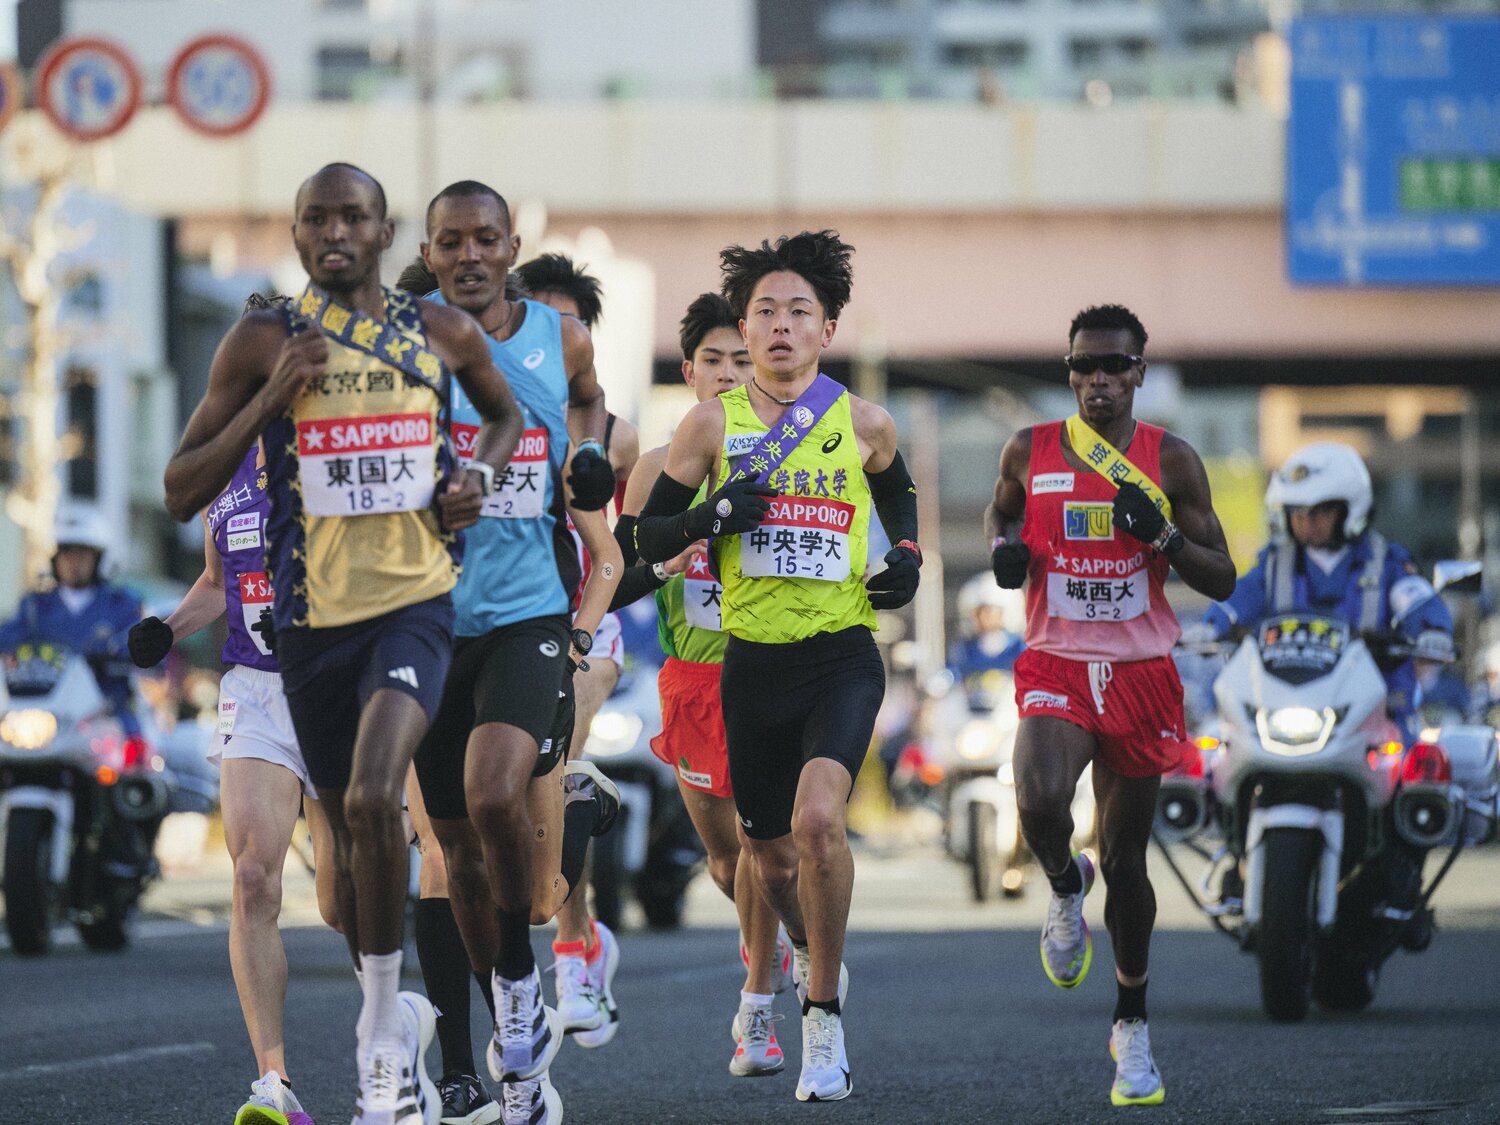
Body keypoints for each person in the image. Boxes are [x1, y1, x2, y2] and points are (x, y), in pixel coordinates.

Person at [162, 163, 524, 1125]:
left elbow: (506, 419)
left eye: (351, 216)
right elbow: (180, 485)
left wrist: (476, 481)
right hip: (306, 623)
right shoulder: (263, 339)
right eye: (314, 218)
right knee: (340, 877)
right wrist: (270, 395)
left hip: (412, 608)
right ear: (294, 234)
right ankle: (393, 1009)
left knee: (372, 795)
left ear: (383, 231)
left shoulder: (438, 331)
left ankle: (373, 1041)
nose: (333, 232)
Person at [634, 231, 923, 1103]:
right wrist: (712, 513)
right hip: (750, 667)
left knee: (818, 822)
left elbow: (896, 482)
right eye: (766, 311)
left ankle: (823, 1017)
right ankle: (803, 947)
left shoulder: (861, 419)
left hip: (840, 656)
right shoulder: (708, 424)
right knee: (763, 860)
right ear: (745, 328)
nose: (782, 326)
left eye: (800, 312)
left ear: (826, 328)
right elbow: (647, 537)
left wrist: (905, 548)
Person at [408, 181, 624, 1125]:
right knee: (451, 847)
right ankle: (516, 1041)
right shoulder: (400, 342)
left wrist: (587, 451)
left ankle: (522, 987)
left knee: (495, 791)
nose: (468, 254)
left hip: (529, 609)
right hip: (422, 617)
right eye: (449, 239)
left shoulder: (556, 334)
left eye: (484, 239)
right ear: (427, 248)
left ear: (510, 246)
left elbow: (587, 399)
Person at [985, 303, 1235, 1107]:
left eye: (1111, 366)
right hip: (1057, 657)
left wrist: (1162, 538)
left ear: (1138, 372)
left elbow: (1222, 576)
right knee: (1038, 799)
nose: (1096, 380)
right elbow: (1001, 513)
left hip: (1142, 670)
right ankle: (1062, 883)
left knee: (1128, 862)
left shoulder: (1173, 460)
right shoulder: (1033, 448)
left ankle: (1132, 1025)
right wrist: (1004, 549)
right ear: (1071, 373)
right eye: (1082, 367)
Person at [129, 386, 338, 1125]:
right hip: (254, 690)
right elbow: (220, 584)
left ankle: (396, 1021)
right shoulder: (226, 479)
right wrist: (167, 624)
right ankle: (274, 1081)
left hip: (337, 687)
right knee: (253, 878)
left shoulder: (337, 455)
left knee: (347, 900)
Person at [611, 293, 793, 1078]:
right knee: (726, 861)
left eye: (740, 360)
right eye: (713, 360)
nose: (727, 374)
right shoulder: (657, 469)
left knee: (762, 841)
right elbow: (618, 573)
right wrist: (673, 551)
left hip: (767, 669)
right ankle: (778, 935)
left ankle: (757, 1006)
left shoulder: (790, 451)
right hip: (690, 681)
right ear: (688, 372)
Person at [512, 250, 633, 1047]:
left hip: (589, 622)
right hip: (508, 623)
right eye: (539, 321)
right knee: (532, 792)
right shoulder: (486, 413)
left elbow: (623, 542)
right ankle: (581, 932)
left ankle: (567, 954)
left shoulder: (613, 439)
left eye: (571, 325)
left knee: (558, 755)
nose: (554, 337)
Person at [1193, 442, 1455, 745]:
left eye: (1320, 512)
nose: (1307, 523)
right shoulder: (1275, 564)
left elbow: (1416, 600)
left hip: (1373, 711)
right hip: (1284, 702)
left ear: (1349, 510)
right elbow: (1237, 599)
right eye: (1297, 513)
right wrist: (1210, 626)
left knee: (1411, 772)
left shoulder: (1386, 563)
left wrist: (1433, 630)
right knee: (1214, 758)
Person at [0, 505, 145, 733]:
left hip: (105, 711)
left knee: (135, 752)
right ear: (54, 559)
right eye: (66, 553)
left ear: (97, 559)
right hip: (42, 715)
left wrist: (116, 651)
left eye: (82, 554)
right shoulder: (34, 606)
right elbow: (7, 638)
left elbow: (144, 644)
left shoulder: (120, 604)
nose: (73, 562)